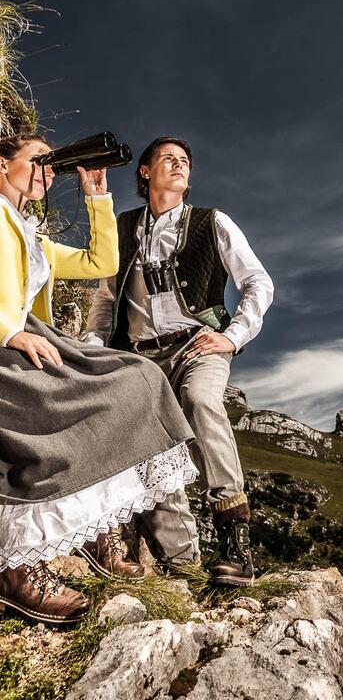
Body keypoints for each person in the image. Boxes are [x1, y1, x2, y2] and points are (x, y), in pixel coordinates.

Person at [0, 134, 199, 624]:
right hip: (7, 344)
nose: (49, 171)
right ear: (3, 164)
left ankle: (93, 525)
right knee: (80, 399)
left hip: (33, 337)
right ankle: (13, 569)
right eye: (39, 161)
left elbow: (100, 263)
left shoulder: (29, 233)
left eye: (54, 165)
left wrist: (95, 194)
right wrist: (9, 333)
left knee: (139, 378)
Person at [84, 137, 274, 586]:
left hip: (197, 345)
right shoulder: (122, 226)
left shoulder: (213, 222)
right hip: (140, 358)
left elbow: (258, 282)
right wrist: (94, 351)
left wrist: (232, 337)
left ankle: (235, 539)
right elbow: (106, 301)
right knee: (154, 449)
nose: (179, 165)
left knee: (201, 401)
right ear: (145, 172)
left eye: (185, 161)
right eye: (168, 158)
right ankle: (181, 564)